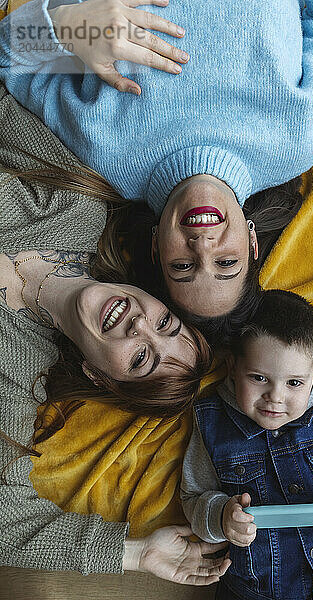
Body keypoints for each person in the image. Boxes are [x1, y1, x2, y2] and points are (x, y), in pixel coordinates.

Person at [0, 0, 313, 320]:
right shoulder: (301, 138)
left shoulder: (103, 152)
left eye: (183, 267)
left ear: (155, 248)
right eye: (226, 264)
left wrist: (73, 27)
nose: (203, 245)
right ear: (252, 241)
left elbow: (9, 57)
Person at [0, 80, 232, 581]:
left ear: (102, 377)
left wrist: (135, 554)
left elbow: (6, 521)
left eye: (141, 359)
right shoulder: (79, 204)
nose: (139, 326)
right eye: (165, 322)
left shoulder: (14, 374)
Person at [180, 289, 313, 600]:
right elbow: (193, 496)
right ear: (232, 368)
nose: (276, 397)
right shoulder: (212, 423)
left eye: (294, 382)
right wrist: (221, 517)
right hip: (253, 589)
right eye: (259, 378)